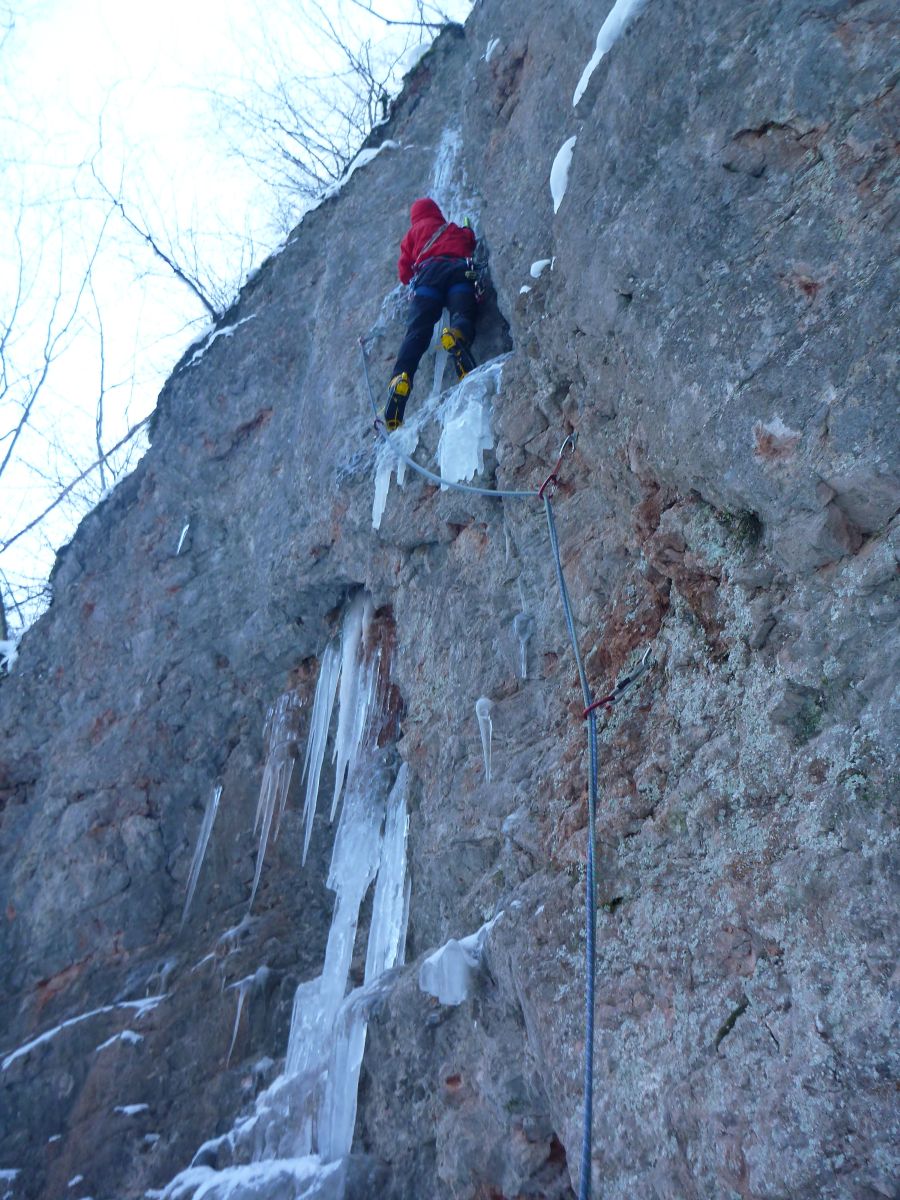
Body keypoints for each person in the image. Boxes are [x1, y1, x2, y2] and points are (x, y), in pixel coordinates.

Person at [383, 198, 478, 430]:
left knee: (418, 331)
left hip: (428, 279)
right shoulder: (450, 228)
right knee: (463, 313)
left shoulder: (411, 235)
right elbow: (470, 241)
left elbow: (404, 273)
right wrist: (466, 229)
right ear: (436, 211)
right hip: (458, 271)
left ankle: (401, 376)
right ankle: (457, 336)